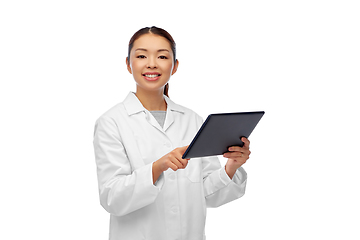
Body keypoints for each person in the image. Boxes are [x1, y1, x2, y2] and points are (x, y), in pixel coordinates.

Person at [93, 26, 251, 240]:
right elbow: (112, 197)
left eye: (162, 56)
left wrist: (231, 167)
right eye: (141, 55)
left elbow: (208, 195)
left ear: (174, 66)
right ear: (128, 65)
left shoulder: (192, 119)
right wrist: (158, 167)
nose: (151, 63)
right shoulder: (112, 122)